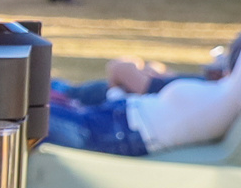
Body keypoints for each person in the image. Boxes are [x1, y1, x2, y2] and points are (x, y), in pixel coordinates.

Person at [44, 37, 241, 156]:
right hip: (112, 117)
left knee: (29, 111)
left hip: (113, 131)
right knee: (33, 101)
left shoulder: (230, 95)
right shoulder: (221, 90)